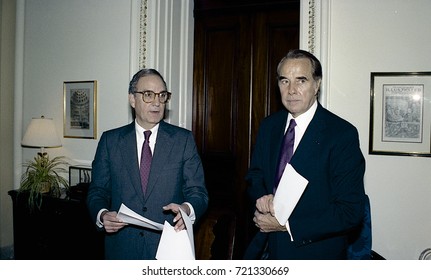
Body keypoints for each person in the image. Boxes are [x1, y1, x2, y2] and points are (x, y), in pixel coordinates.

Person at [244, 49, 366, 260]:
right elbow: (255, 176)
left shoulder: (341, 134)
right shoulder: (269, 126)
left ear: (317, 85)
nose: (291, 90)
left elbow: (350, 212)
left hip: (315, 254)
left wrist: (287, 226)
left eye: (301, 81)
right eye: (284, 81)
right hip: (266, 249)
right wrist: (262, 198)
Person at [87, 68, 209, 259]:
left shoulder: (182, 140)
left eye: (162, 95)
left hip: (169, 249)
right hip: (121, 249)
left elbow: (198, 193)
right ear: (132, 99)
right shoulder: (110, 141)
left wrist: (187, 210)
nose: (157, 102)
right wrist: (102, 215)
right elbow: (97, 191)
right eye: (148, 95)